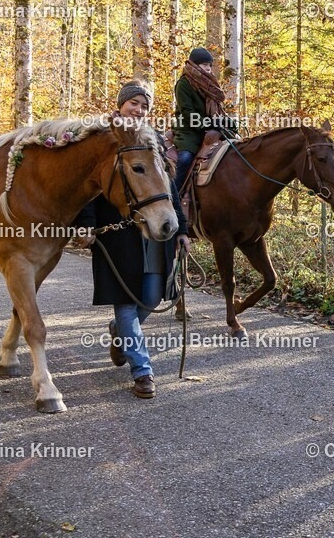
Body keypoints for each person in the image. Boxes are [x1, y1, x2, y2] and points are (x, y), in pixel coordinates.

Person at [76, 81, 190, 399]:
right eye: (134, 104)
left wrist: (181, 229)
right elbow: (87, 185)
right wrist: (85, 225)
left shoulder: (152, 138)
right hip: (118, 232)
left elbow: (167, 188)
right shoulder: (102, 135)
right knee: (125, 302)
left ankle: (121, 333)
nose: (138, 110)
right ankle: (143, 372)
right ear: (121, 104)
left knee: (151, 299)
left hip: (154, 233)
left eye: (144, 106)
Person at [171, 47, 238, 186]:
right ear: (194, 64)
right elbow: (187, 113)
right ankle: (174, 195)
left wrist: (227, 122)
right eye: (204, 65)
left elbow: (218, 110)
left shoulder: (210, 84)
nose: (208, 68)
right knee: (185, 159)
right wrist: (208, 123)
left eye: (209, 65)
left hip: (210, 127)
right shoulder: (183, 84)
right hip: (189, 130)